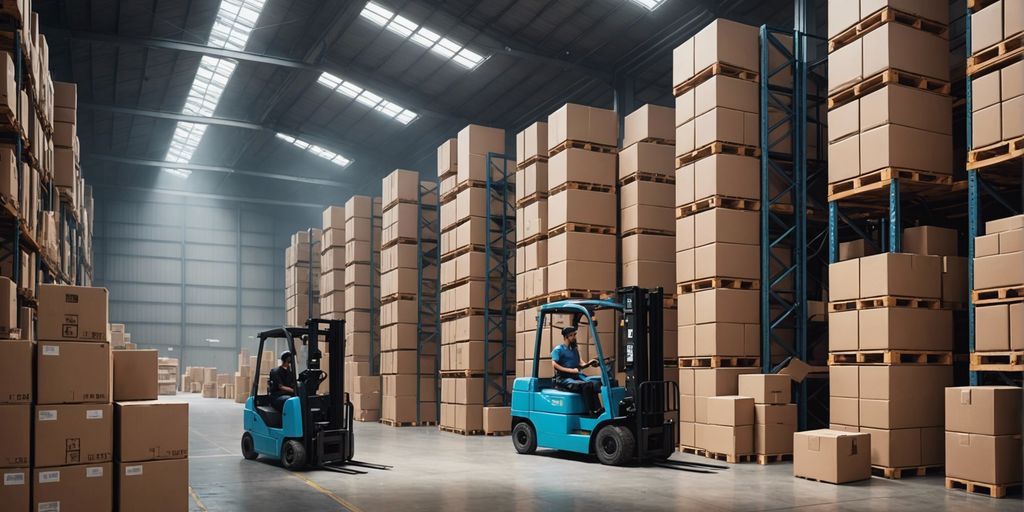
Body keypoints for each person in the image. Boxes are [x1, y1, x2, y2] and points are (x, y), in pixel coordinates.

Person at [551, 326, 603, 416]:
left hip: (575, 376)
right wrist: (571, 371)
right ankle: (592, 411)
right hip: (564, 378)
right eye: (572, 335)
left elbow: (581, 364)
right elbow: (554, 364)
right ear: (566, 336)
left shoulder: (575, 350)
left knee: (594, 383)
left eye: (575, 335)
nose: (574, 337)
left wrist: (589, 363)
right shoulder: (558, 349)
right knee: (586, 385)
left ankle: (599, 409)